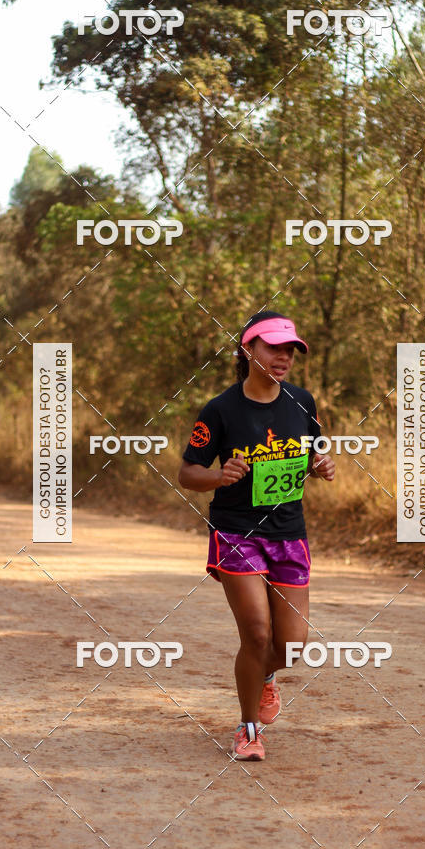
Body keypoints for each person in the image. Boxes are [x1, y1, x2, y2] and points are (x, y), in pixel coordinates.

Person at [178, 311, 335, 760]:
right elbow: (188, 472)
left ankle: (266, 679)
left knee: (290, 646)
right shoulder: (221, 409)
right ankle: (248, 731)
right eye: (274, 348)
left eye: (290, 350)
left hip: (289, 533)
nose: (284, 357)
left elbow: (313, 450)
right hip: (236, 533)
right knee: (257, 633)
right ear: (248, 350)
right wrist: (219, 476)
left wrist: (321, 464)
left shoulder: (303, 401)